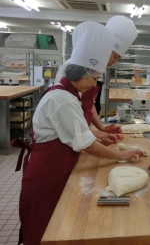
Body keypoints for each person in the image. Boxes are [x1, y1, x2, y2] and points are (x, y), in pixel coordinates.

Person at [14, 21, 142, 245]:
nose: (94, 84)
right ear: (80, 74)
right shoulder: (63, 100)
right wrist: (121, 155)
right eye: (93, 79)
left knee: (56, 227)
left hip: (57, 167)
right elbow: (84, 143)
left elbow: (76, 131)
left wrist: (99, 132)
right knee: (43, 231)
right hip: (46, 175)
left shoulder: (68, 94)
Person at [56, 16, 138, 143]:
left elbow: (89, 102)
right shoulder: (73, 71)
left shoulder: (98, 70)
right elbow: (68, 120)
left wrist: (102, 128)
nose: (114, 62)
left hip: (82, 131)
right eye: (114, 56)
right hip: (69, 134)